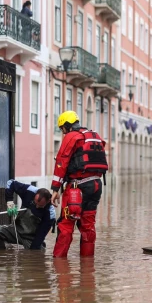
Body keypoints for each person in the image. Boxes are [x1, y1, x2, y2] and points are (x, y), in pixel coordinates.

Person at [51, 110, 108, 258]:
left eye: (62, 129)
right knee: (88, 226)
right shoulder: (93, 136)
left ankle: (59, 265)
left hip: (77, 188)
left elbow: (61, 162)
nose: (63, 133)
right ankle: (87, 266)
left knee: (66, 225)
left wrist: (55, 188)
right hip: (96, 186)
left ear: (66, 126)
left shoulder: (72, 136)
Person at [0, 180, 56, 250]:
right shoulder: (29, 191)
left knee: (36, 253)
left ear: (48, 201)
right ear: (34, 195)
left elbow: (41, 235)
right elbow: (11, 183)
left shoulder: (50, 213)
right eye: (35, 203)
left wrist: (34, 250)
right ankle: (3, 252)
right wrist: (10, 202)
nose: (37, 207)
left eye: (40, 206)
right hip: (16, 230)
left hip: (31, 238)